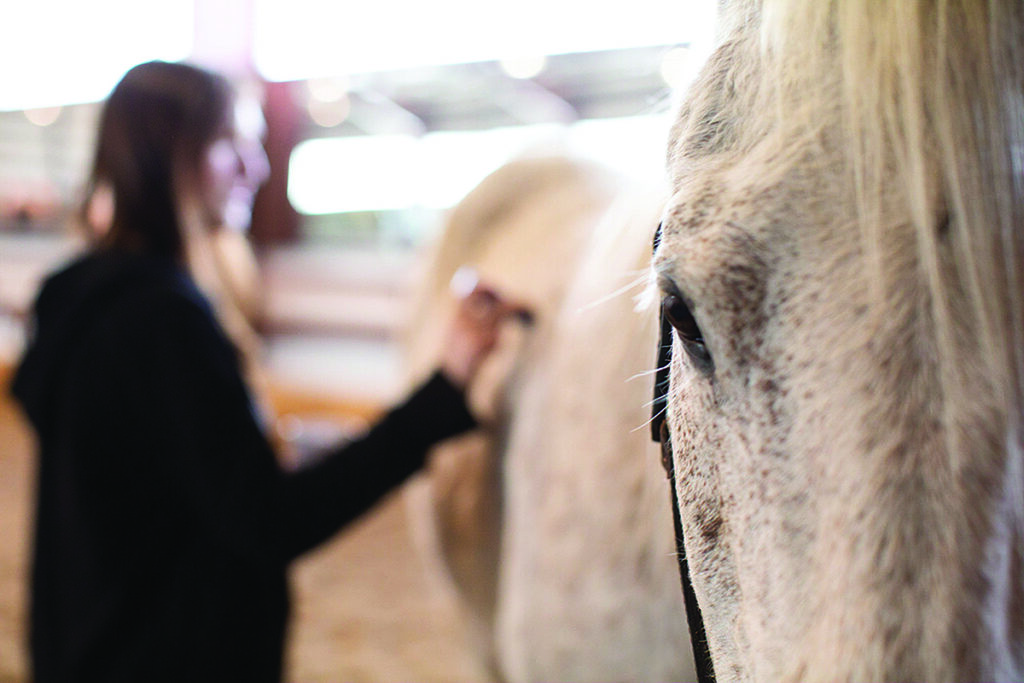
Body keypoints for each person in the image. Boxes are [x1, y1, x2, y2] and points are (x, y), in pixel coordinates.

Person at [10, 60, 527, 683]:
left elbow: (166, 481)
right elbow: (272, 521)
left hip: (89, 644)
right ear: (170, 154)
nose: (257, 169)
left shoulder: (81, 299)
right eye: (232, 145)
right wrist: (443, 390)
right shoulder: (162, 320)